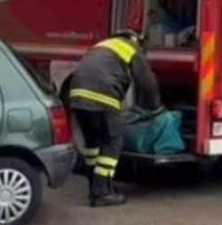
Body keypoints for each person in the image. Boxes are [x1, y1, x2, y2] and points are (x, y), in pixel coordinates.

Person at [67, 30, 161, 207]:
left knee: (93, 143)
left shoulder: (102, 46)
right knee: (113, 141)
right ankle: (102, 193)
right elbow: (146, 79)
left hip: (77, 96)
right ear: (136, 40)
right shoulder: (130, 47)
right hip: (103, 97)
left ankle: (95, 187)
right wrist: (156, 106)